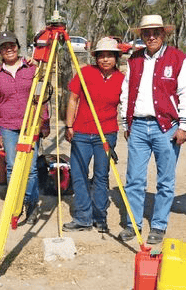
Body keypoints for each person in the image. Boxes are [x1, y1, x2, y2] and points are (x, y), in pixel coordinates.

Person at [118, 14, 186, 245]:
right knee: (134, 178)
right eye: (146, 33)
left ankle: (159, 224)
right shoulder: (135, 59)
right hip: (139, 126)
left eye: (156, 32)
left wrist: (184, 125)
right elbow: (126, 91)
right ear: (141, 35)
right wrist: (126, 121)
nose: (151, 37)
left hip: (167, 127)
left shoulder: (179, 59)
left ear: (164, 34)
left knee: (165, 180)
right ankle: (133, 223)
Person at [61, 37, 125, 233]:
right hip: (81, 132)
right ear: (95, 57)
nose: (105, 60)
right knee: (79, 175)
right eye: (101, 56)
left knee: (101, 176)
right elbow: (73, 99)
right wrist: (69, 125)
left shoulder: (123, 80)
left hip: (106, 134)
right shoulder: (85, 73)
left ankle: (100, 217)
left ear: (116, 58)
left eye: (109, 56)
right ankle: (82, 217)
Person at [0, 31, 50, 225]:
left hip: (30, 125)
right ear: (0, 51)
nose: (9, 49)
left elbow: (41, 97)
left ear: (17, 47)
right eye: (4, 47)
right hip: (8, 127)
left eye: (12, 45)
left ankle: (31, 204)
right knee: (12, 166)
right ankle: (15, 203)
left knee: (31, 169)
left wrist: (44, 121)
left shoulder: (32, 68)